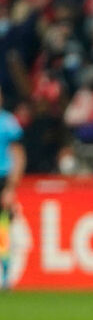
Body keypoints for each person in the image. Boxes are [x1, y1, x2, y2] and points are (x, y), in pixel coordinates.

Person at [0, 87, 25, 289]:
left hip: (2, 180)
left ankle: (5, 275)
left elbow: (17, 154)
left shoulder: (8, 122)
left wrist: (11, 187)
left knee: (2, 229)